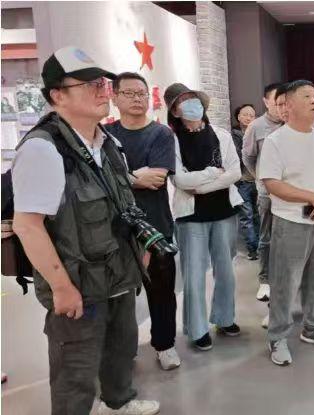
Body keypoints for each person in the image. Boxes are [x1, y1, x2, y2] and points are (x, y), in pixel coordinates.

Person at [12, 46, 159, 414]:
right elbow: (28, 226)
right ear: (57, 95)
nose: (102, 91)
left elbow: (121, 202)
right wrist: (61, 287)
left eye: (102, 83)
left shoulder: (106, 142)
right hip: (79, 283)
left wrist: (138, 248)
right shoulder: (43, 149)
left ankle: (118, 402)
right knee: (75, 370)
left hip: (118, 273)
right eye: (89, 84)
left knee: (121, 347)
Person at [259, 80, 314, 366]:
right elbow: (272, 183)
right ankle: (277, 337)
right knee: (285, 282)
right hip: (290, 221)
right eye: (307, 96)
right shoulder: (276, 141)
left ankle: (313, 327)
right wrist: (313, 197)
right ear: (288, 105)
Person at [107, 72, 180, 371]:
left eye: (141, 93)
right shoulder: (105, 134)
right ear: (114, 97)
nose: (137, 99)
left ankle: (164, 344)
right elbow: (101, 179)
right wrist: (134, 177)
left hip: (155, 225)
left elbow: (157, 177)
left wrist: (120, 178)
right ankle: (123, 348)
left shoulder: (161, 134)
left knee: (161, 291)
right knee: (119, 293)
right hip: (115, 228)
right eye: (129, 93)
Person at [166, 82, 243, 351]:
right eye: (183, 101)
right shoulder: (171, 140)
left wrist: (201, 187)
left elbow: (234, 172)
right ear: (174, 111)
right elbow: (180, 180)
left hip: (224, 210)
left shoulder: (221, 134)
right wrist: (212, 173)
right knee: (194, 274)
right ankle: (197, 329)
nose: (192, 104)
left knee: (226, 271)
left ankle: (225, 318)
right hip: (191, 216)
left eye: (194, 99)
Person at [242, 83, 284, 303]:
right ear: (266, 102)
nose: (281, 106)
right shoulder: (256, 127)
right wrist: (261, 177)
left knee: (288, 237)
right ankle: (265, 280)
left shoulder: (292, 123)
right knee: (266, 236)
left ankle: (286, 279)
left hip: (292, 193)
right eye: (276, 101)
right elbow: (248, 157)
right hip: (268, 193)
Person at [231, 104, 259, 260]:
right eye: (245, 114)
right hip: (242, 182)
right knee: (246, 216)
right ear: (238, 117)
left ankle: (261, 246)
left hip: (258, 181)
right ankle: (252, 248)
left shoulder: (258, 134)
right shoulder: (233, 136)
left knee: (258, 215)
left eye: (252, 115)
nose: (249, 117)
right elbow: (237, 157)